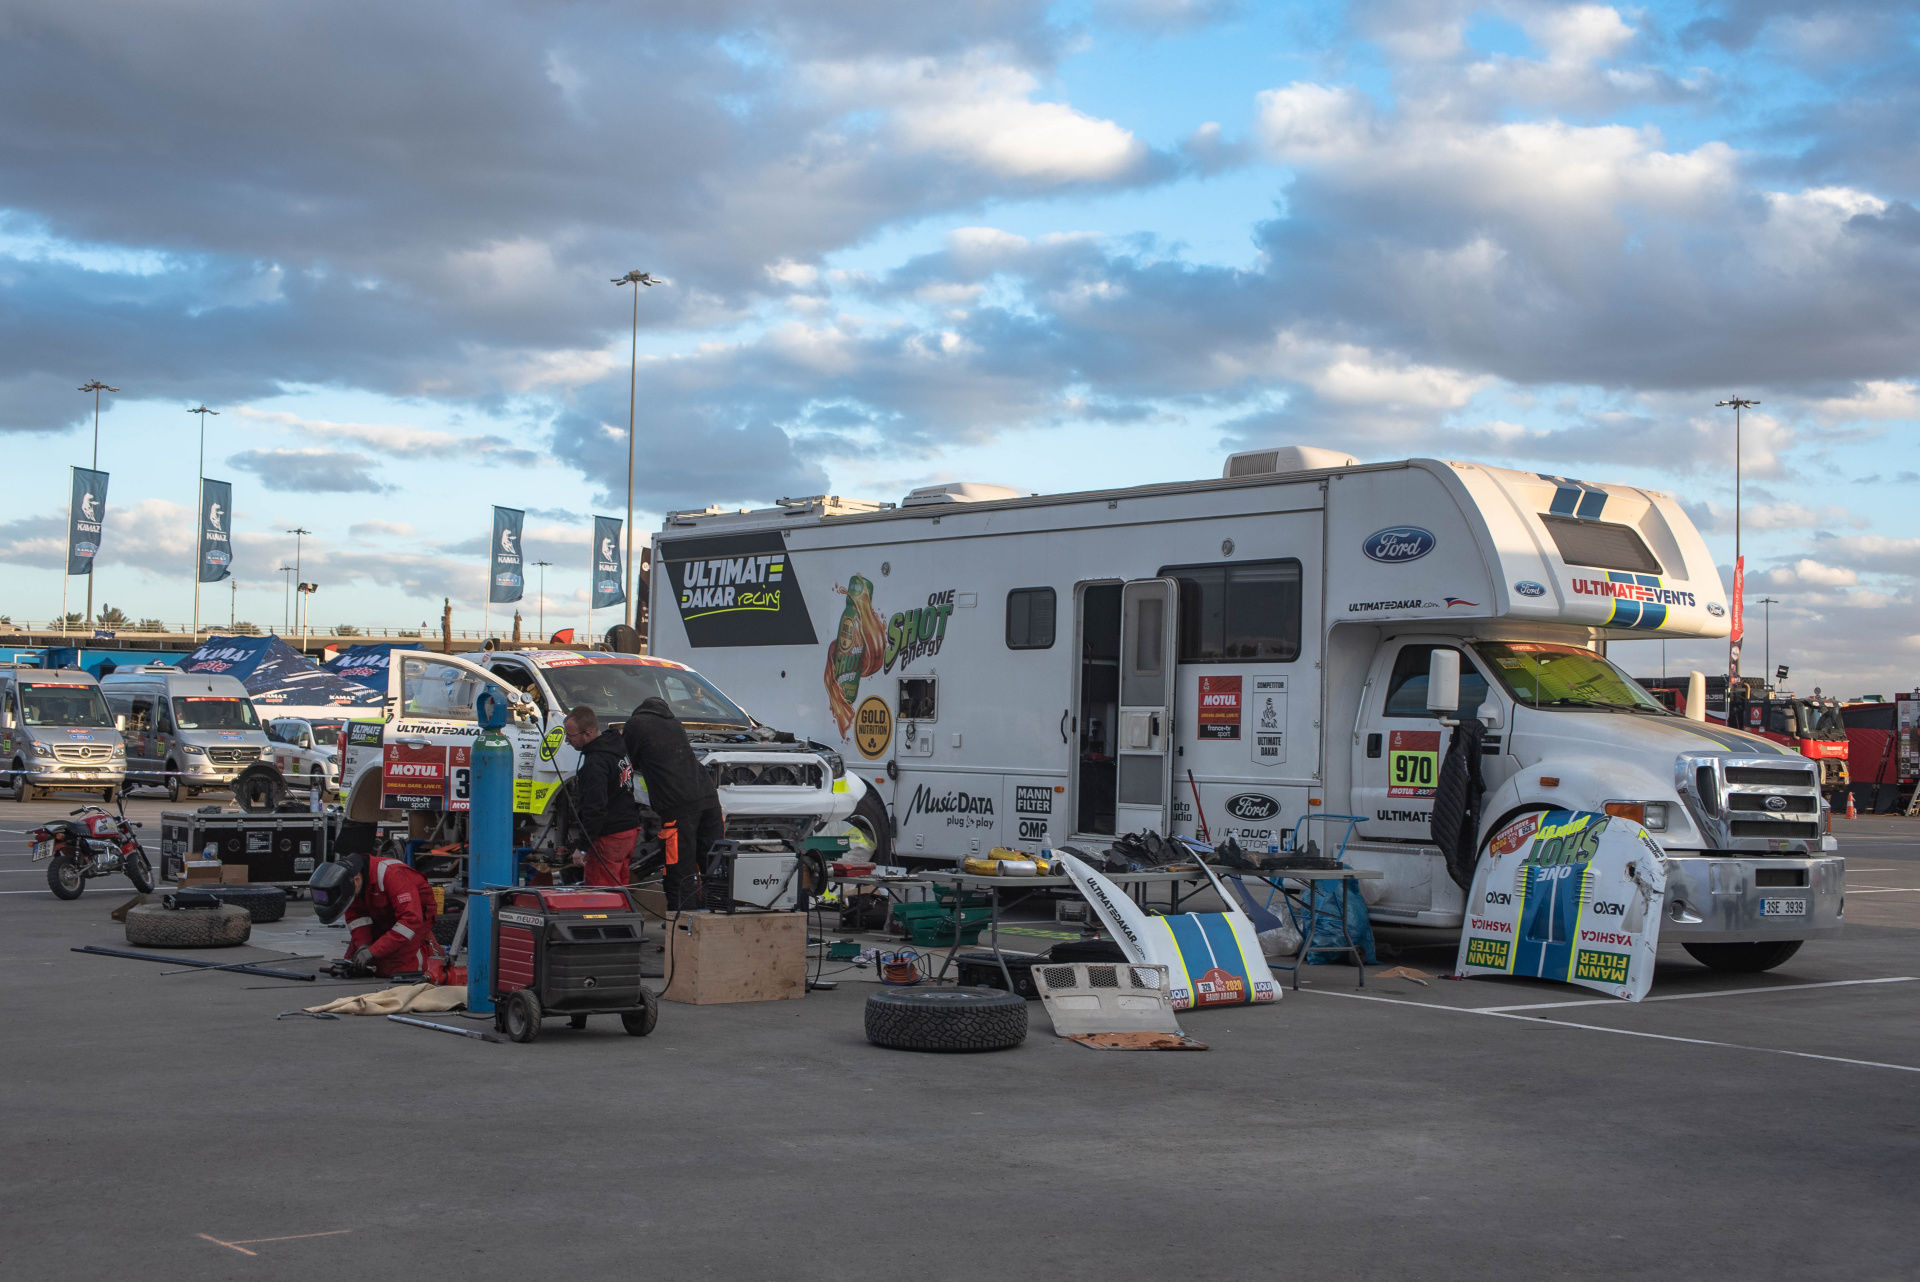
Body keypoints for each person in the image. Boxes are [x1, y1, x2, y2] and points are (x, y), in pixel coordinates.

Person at [622, 696, 722, 910]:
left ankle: (682, 927)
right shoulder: (675, 724)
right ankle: (717, 920)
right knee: (715, 866)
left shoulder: (635, 724)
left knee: (679, 870)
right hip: (709, 800)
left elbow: (628, 761)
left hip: (678, 806)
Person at [308, 852, 437, 978]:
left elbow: (410, 920)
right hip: (384, 916)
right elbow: (357, 918)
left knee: (392, 968)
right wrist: (363, 946)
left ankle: (429, 954)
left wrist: (373, 951)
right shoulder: (350, 885)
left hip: (415, 918)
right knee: (353, 962)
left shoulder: (392, 874)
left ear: (357, 880)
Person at [563, 704, 643, 887]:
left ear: (588, 733)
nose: (567, 740)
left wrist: (582, 848)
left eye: (570, 736)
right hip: (629, 831)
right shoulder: (617, 748)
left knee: (600, 896)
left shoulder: (595, 764)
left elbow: (595, 808)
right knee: (619, 891)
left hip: (609, 838)